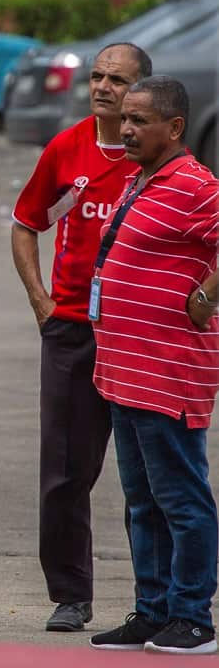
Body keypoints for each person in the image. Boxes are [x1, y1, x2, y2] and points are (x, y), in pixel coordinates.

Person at [11, 43, 151, 632]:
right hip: (71, 332)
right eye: (97, 76)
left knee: (147, 475)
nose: (102, 88)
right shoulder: (65, 149)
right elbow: (25, 224)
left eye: (117, 80)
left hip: (137, 333)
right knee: (65, 472)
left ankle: (159, 601)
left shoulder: (158, 161)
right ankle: (71, 594)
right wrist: (41, 302)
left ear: (142, 90)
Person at [88, 76, 219, 655]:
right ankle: (153, 610)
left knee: (182, 501)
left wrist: (207, 295)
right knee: (142, 502)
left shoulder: (195, 185)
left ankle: (193, 618)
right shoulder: (138, 180)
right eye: (125, 118)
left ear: (175, 127)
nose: (126, 129)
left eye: (140, 120)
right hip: (125, 370)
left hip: (167, 372)